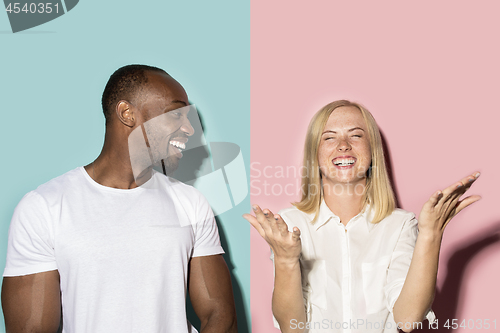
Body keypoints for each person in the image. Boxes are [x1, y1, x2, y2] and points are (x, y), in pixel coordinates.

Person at [2, 65, 237, 333]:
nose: (189, 128)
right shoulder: (43, 207)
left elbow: (220, 316)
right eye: (175, 114)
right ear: (127, 114)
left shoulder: (191, 203)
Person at [244, 100, 480, 333]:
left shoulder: (400, 225)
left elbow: (408, 320)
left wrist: (430, 234)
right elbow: (292, 329)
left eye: (356, 135)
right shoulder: (290, 225)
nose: (343, 145)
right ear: (314, 154)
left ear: (372, 150)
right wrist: (286, 260)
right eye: (329, 137)